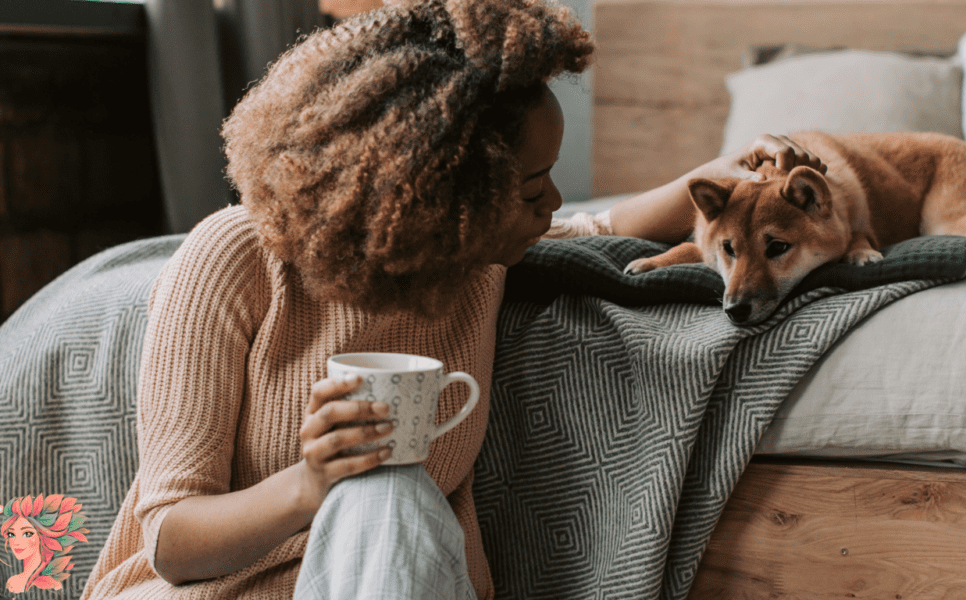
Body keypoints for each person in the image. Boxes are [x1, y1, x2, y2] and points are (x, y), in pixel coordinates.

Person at [82, 1, 824, 599]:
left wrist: (720, 173)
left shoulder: (475, 263)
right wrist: (311, 485)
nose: (553, 202)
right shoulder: (233, 259)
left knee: (392, 497)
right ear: (441, 196)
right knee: (386, 494)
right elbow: (171, 545)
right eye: (532, 188)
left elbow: (597, 226)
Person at [2, 494, 86, 593]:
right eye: (11, 534)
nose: (16, 542)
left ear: (42, 536)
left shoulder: (51, 584)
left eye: (27, 534)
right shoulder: (12, 581)